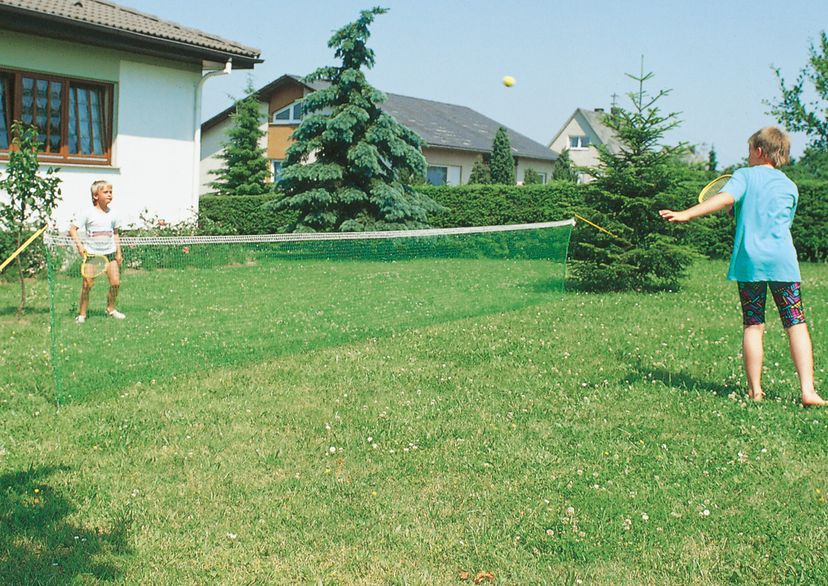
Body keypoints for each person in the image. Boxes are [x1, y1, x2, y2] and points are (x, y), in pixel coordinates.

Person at [659, 127, 826, 406]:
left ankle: (755, 391)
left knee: (753, 324)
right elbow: (775, 219)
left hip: (751, 263)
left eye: (749, 150)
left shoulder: (743, 176)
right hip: (783, 262)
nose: (747, 156)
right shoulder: (790, 185)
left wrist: (687, 214)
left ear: (759, 151)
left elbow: (726, 198)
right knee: (796, 323)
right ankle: (808, 391)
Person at [68, 180, 125, 323]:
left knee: (115, 283)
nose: (109, 195)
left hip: (110, 255)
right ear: (95, 195)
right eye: (106, 192)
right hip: (92, 256)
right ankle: (82, 315)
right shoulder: (87, 213)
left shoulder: (114, 214)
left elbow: (116, 233)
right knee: (87, 285)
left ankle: (111, 309)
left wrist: (118, 253)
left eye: (111, 192)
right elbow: (72, 229)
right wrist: (80, 246)